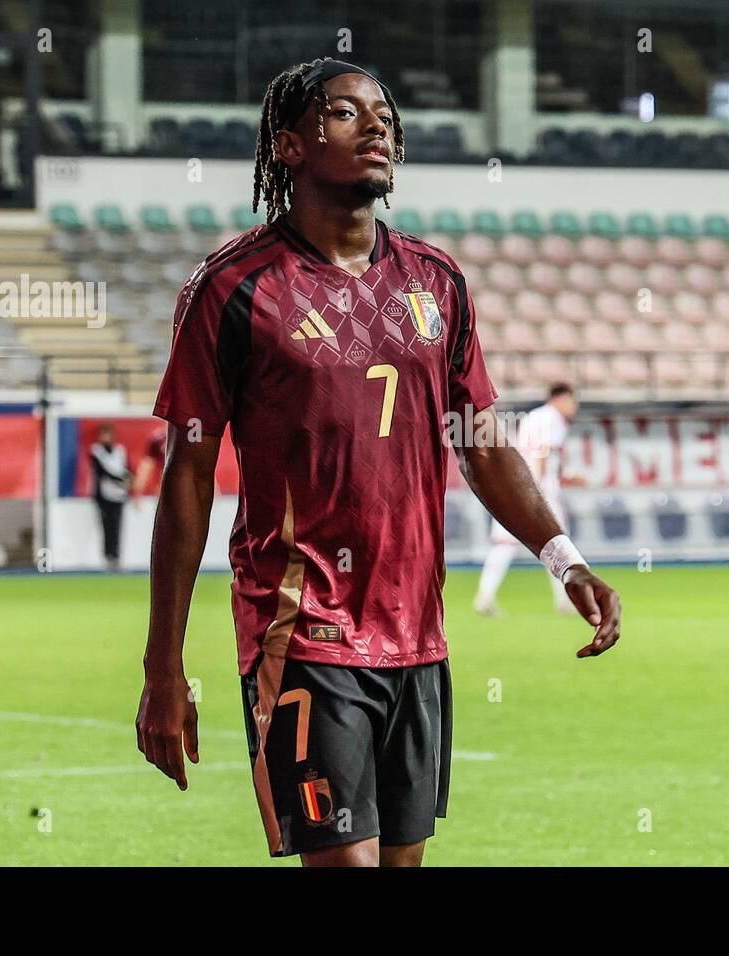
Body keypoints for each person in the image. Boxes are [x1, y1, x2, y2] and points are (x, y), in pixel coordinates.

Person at [135, 58, 621, 868]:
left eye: (385, 116)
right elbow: (187, 475)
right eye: (344, 113)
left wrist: (563, 558)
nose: (376, 128)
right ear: (287, 145)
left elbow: (481, 441)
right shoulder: (232, 289)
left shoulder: (438, 282)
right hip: (303, 628)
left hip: (417, 637)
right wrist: (162, 668)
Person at [474, 383, 584, 616]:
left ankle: (484, 596)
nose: (574, 407)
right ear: (560, 399)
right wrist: (539, 489)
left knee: (504, 544)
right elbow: (543, 452)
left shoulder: (531, 418)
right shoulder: (552, 418)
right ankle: (566, 600)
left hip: (514, 485)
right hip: (537, 489)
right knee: (559, 543)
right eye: (573, 401)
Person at [88, 423, 131, 570]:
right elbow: (103, 472)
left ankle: (116, 556)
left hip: (119, 495)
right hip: (104, 496)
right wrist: (121, 479)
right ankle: (108, 556)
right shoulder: (96, 451)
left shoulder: (120, 451)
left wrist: (128, 479)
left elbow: (127, 468)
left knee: (116, 526)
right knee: (106, 526)